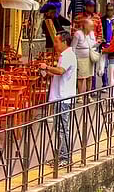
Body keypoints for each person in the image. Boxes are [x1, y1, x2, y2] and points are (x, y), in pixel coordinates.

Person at [44, 30, 77, 165]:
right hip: (60, 96)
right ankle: (61, 155)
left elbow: (61, 71)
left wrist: (47, 67)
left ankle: (65, 157)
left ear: (64, 42)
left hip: (64, 97)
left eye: (57, 41)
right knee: (59, 128)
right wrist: (48, 72)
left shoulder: (68, 55)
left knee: (63, 128)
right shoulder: (64, 56)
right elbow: (60, 74)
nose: (55, 44)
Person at [72, 16, 98, 94]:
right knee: (81, 77)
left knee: (90, 77)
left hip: (90, 58)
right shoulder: (78, 34)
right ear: (86, 26)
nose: (92, 28)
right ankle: (80, 95)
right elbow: (73, 47)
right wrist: (73, 59)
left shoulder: (92, 33)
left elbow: (93, 44)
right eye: (91, 26)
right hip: (80, 58)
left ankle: (88, 94)